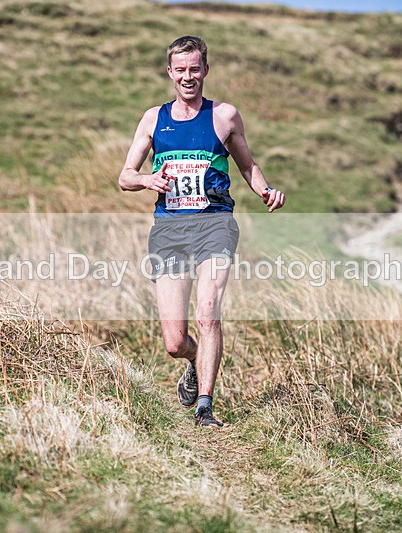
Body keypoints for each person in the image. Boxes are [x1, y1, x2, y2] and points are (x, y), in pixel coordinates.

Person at [118, 35, 285, 428]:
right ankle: (194, 360)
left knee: (208, 313)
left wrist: (264, 190)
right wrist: (147, 181)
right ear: (170, 73)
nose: (188, 76)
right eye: (181, 70)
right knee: (174, 341)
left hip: (215, 225)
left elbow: (247, 165)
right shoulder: (152, 118)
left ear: (206, 70)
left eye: (195, 69)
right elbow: (124, 177)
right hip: (170, 229)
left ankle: (205, 406)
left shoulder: (225, 116)